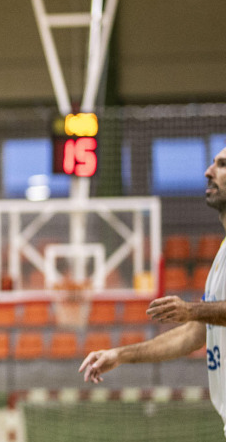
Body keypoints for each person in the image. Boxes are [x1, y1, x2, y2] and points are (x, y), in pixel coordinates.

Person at [81, 147, 226, 407]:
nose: (208, 171)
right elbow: (190, 335)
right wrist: (120, 355)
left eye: (223, 164)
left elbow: (196, 318)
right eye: (213, 163)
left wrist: (191, 310)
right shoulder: (221, 255)